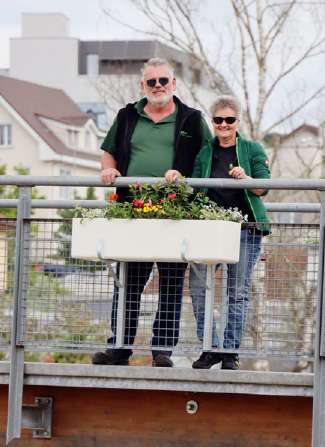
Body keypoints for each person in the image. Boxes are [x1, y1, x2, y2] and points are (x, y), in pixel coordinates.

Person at [92, 57, 212, 368]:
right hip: (133, 210)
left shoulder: (192, 118)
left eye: (163, 81)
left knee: (171, 285)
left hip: (175, 211)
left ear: (174, 84)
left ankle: (162, 352)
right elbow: (108, 153)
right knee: (128, 283)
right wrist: (109, 171)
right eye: (151, 82)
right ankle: (118, 349)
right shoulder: (127, 115)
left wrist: (188, 181)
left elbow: (208, 158)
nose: (157, 86)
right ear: (142, 86)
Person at [189, 95, 270, 370]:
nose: (224, 125)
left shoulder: (252, 149)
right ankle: (209, 348)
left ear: (237, 122)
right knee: (200, 290)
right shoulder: (205, 152)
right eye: (218, 120)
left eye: (229, 120)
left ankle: (230, 353)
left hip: (245, 229)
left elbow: (262, 188)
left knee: (236, 293)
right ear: (213, 123)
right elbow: (195, 187)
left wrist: (244, 178)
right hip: (208, 230)